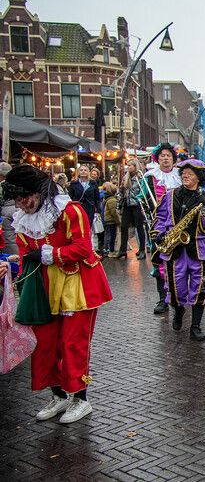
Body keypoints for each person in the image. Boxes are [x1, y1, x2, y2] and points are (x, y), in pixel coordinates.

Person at [2, 164, 112, 423]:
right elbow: (25, 251)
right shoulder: (23, 219)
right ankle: (59, 395)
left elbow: (83, 249)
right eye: (16, 199)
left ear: (39, 192)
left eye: (23, 198)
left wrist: (48, 254)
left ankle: (80, 398)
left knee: (72, 343)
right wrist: (12, 264)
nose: (20, 204)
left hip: (78, 286)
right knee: (45, 344)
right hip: (44, 288)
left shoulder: (69, 211)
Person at [151, 159, 205, 342]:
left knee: (200, 288)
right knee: (176, 288)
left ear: (199, 177)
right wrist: (159, 234)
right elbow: (160, 216)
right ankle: (178, 311)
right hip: (175, 249)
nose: (185, 175)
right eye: (183, 173)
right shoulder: (170, 195)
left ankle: (195, 326)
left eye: (190, 173)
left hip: (199, 248)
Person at [144, 143, 182, 314]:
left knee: (180, 262)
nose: (165, 159)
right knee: (159, 262)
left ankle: (179, 296)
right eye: (162, 156)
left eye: (168, 156)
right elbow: (141, 198)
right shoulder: (150, 177)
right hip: (158, 227)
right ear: (157, 159)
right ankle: (162, 299)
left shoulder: (181, 176)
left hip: (179, 226)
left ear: (173, 159)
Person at [114, 158, 147, 260]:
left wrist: (141, 202)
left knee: (139, 227)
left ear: (135, 166)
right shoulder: (125, 177)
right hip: (127, 205)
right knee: (124, 227)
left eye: (130, 165)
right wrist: (118, 204)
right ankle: (122, 250)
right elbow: (120, 191)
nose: (128, 167)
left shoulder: (140, 177)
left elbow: (143, 191)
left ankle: (142, 249)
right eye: (127, 165)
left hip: (137, 205)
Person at [67, 165, 100, 238]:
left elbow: (97, 198)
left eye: (85, 170)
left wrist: (97, 210)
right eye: (81, 170)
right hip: (77, 209)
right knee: (78, 227)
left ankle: (88, 244)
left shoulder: (93, 183)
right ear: (78, 172)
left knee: (88, 228)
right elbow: (70, 197)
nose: (83, 171)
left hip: (89, 208)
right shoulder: (73, 183)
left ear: (88, 172)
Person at [102, 182, 120, 256]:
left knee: (108, 235)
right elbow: (114, 212)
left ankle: (107, 248)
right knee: (112, 236)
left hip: (108, 220)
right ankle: (111, 250)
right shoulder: (112, 200)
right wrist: (118, 221)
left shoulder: (107, 199)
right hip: (111, 220)